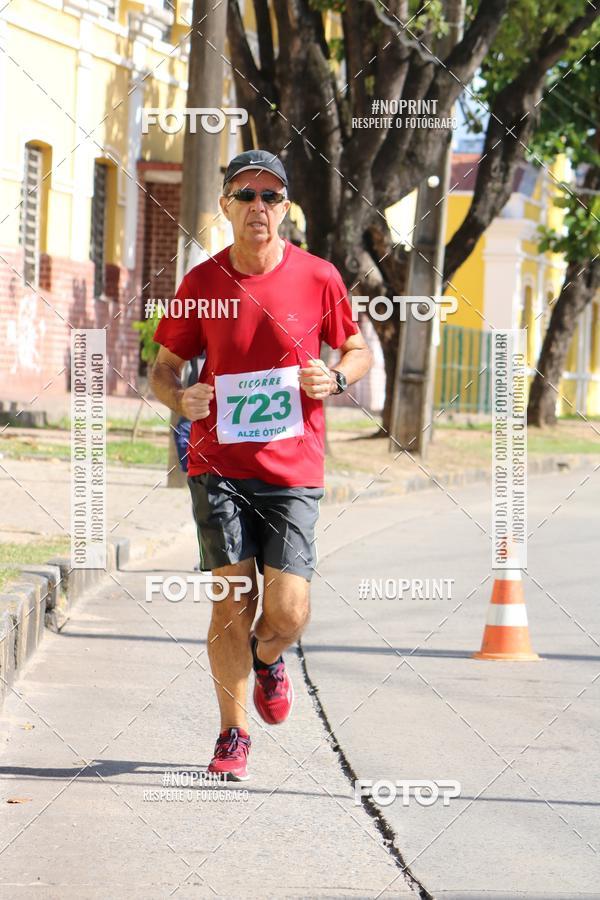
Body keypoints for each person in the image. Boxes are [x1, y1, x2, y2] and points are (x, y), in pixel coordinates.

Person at [151, 150, 372, 780]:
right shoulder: (202, 284)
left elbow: (355, 349)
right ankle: (233, 733)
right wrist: (181, 399)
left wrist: (335, 376)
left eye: (270, 196)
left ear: (285, 207)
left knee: (289, 611)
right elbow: (163, 370)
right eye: (245, 195)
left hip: (293, 470)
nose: (259, 207)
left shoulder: (319, 277)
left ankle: (269, 655)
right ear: (225, 206)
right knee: (231, 600)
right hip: (217, 463)